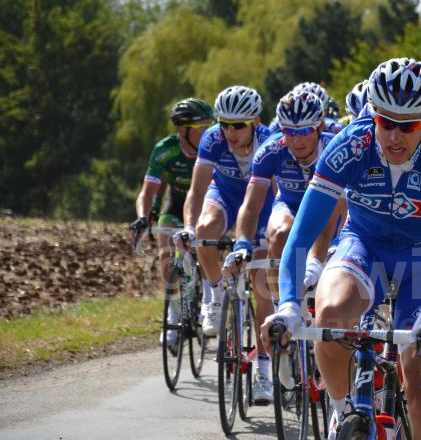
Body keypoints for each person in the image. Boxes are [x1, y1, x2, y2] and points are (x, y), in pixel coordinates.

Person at [262, 57, 421, 440]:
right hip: (364, 244)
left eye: (407, 126)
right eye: (385, 122)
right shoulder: (351, 145)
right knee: (330, 316)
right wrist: (289, 303)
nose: (394, 136)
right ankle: (343, 414)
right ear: (372, 114)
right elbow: (300, 237)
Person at [227, 90, 344, 403]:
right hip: (289, 204)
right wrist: (241, 244)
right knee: (279, 232)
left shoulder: (335, 145)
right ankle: (286, 310)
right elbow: (251, 208)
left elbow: (344, 207)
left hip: (334, 208)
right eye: (290, 132)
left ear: (319, 125)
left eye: (305, 131)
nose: (297, 140)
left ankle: (316, 282)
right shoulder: (271, 151)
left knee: (327, 218)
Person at [174, 86, 274, 337]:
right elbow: (196, 192)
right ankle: (216, 294)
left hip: (260, 203)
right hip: (225, 194)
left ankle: (263, 367)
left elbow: (279, 192)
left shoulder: (270, 141)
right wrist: (188, 227)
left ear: (255, 122)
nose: (230, 132)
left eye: (239, 125)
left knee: (260, 277)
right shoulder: (213, 139)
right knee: (204, 229)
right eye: (225, 124)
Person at [132, 98, 214, 348]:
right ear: (183, 130)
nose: (208, 132)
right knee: (166, 247)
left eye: (209, 126)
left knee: (208, 243)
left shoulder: (214, 147)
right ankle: (174, 312)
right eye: (201, 128)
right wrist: (143, 218)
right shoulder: (166, 150)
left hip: (207, 203)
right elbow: (147, 192)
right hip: (176, 203)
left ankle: (210, 298)